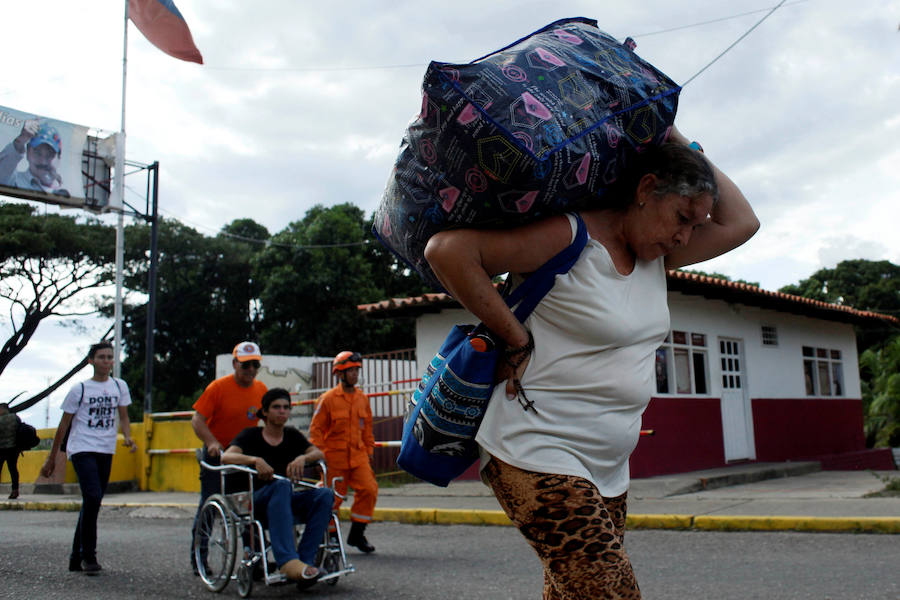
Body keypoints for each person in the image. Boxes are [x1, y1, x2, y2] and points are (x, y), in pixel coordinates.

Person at [423, 128, 759, 599]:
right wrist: (514, 335)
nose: (686, 236)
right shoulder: (570, 236)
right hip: (535, 449)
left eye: (696, 225)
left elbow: (744, 223)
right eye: (682, 217)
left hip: (608, 464)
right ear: (646, 190)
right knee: (613, 594)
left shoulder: (656, 255)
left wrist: (674, 137)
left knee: (570, 594)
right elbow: (449, 251)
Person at [39, 341, 137, 574]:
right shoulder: (80, 389)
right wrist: (51, 458)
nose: (106, 361)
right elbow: (63, 425)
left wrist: (128, 436)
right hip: (82, 448)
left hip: (106, 448)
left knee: (92, 502)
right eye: (101, 357)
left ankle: (75, 556)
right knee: (92, 497)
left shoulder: (119, 386)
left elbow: (123, 415)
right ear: (91, 361)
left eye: (109, 357)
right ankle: (89, 557)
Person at [223, 388, 334, 581]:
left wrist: (302, 458)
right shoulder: (251, 435)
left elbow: (319, 454)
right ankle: (288, 561)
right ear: (264, 412)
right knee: (282, 485)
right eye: (276, 407)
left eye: (286, 407)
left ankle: (305, 561)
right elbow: (226, 457)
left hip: (284, 500)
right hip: (256, 501)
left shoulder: (291, 435)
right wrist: (253, 460)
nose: (282, 411)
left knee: (324, 494)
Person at [190, 341, 267, 573]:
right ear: (235, 364)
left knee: (250, 507)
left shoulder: (261, 390)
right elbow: (198, 420)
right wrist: (212, 442)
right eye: (245, 366)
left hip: (244, 456)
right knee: (210, 505)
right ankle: (199, 557)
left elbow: (267, 420)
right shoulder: (218, 388)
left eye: (255, 365)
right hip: (219, 455)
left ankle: (253, 557)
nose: (251, 370)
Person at [309, 351, 377, 553]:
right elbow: (316, 430)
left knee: (369, 489)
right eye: (351, 371)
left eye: (357, 370)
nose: (355, 374)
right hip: (333, 460)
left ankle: (357, 534)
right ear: (340, 373)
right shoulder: (327, 399)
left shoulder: (362, 399)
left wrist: (369, 450)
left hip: (358, 458)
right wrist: (319, 456)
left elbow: (367, 428)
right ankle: (331, 537)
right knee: (332, 500)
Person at [0, 119, 69, 196]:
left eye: (49, 155)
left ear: (59, 158)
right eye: (38, 153)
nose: (43, 161)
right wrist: (21, 139)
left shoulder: (68, 191)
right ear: (28, 153)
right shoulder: (14, 182)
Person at [0, 403, 22, 499]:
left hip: (1, 449)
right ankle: (15, 490)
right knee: (13, 469)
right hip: (14, 448)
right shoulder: (15, 417)